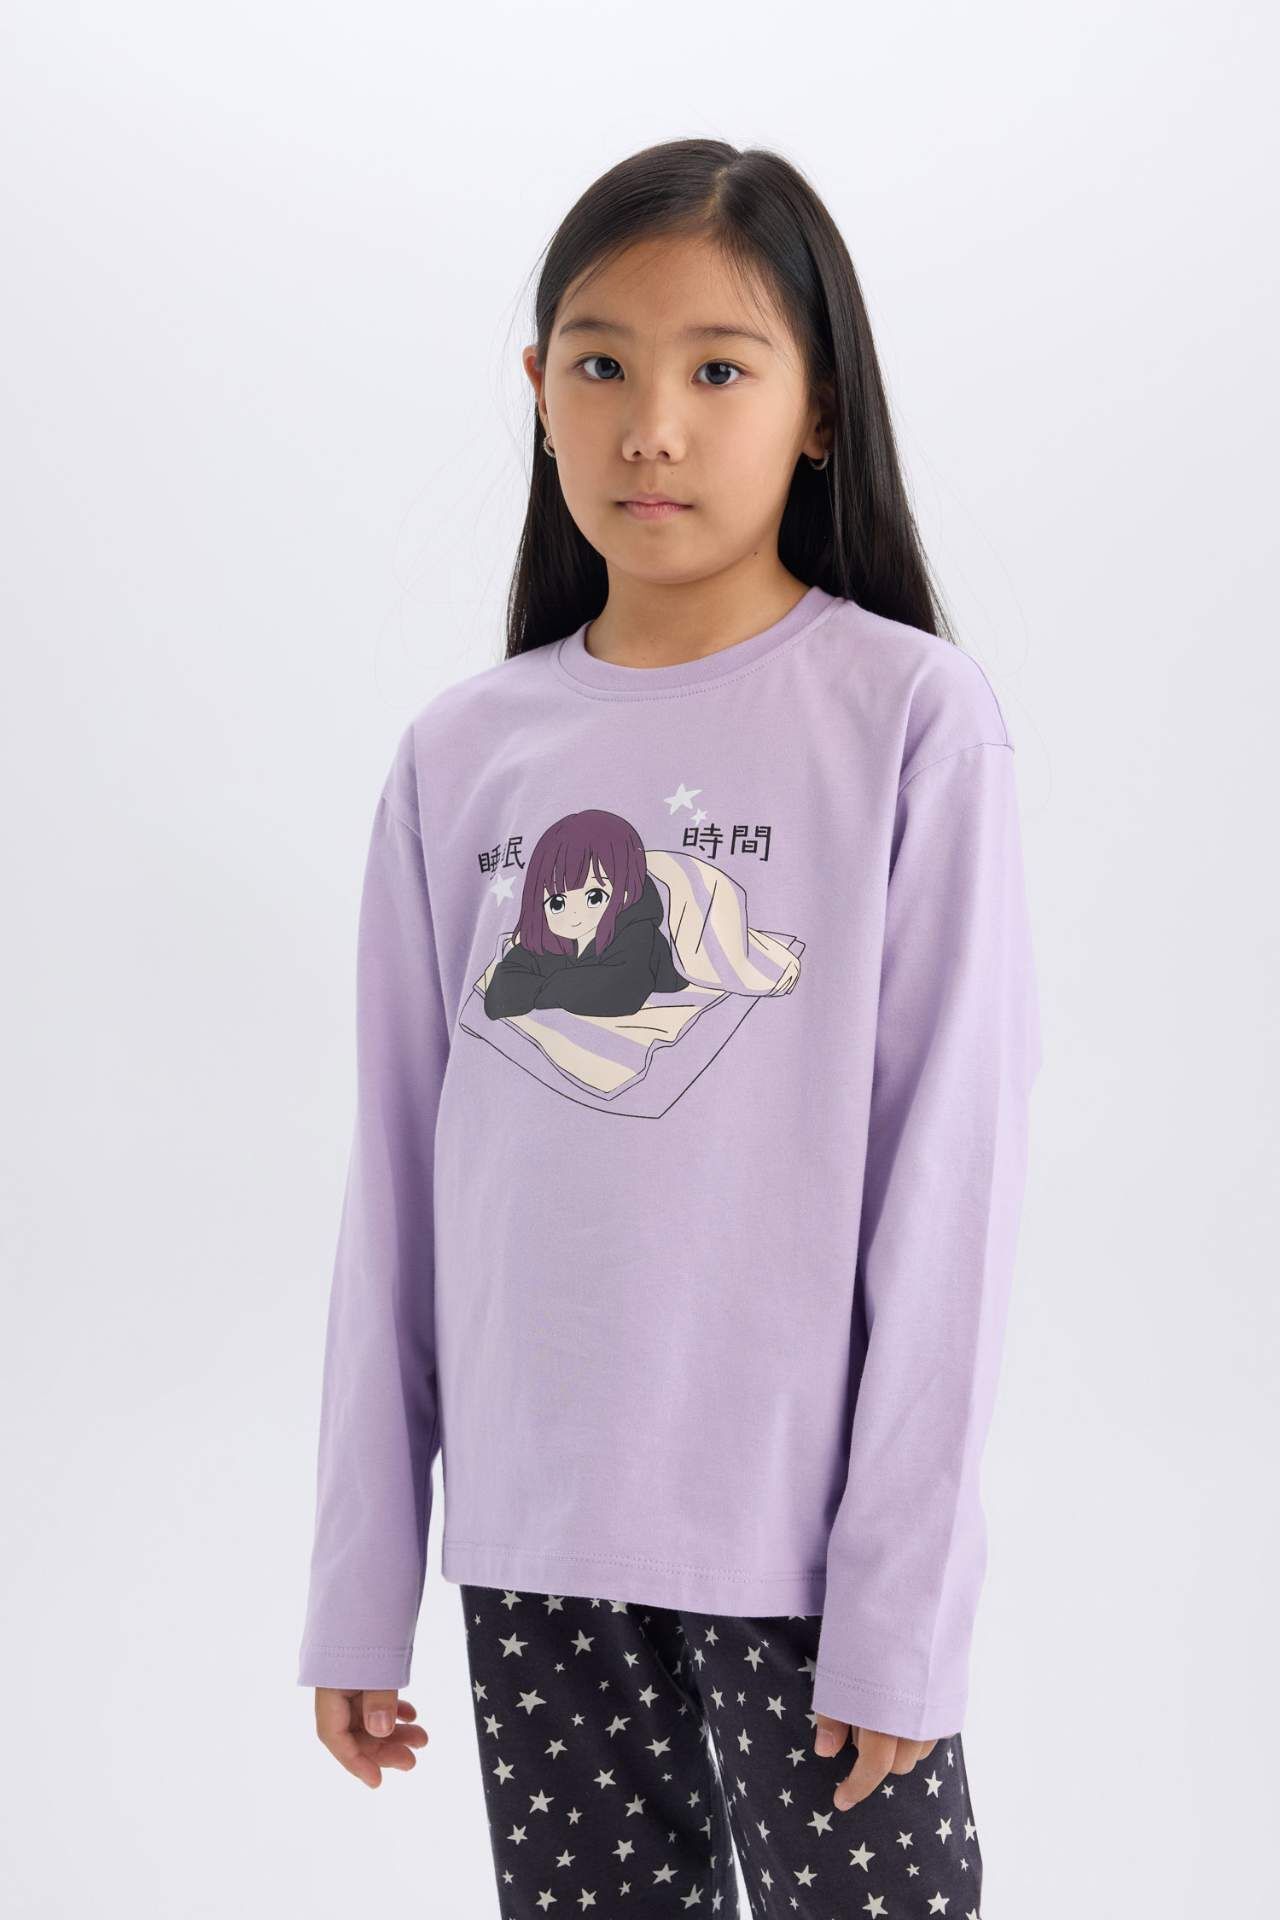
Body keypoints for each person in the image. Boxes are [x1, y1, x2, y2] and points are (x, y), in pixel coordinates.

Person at [297, 136, 1041, 1920]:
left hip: (807, 1560)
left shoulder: (910, 719)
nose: (651, 428)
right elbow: (397, 1194)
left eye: (719, 369)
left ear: (818, 410)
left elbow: (950, 1194)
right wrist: (359, 1584)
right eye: (601, 364)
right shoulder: (463, 754)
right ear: (538, 389)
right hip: (534, 1541)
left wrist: (901, 1603)